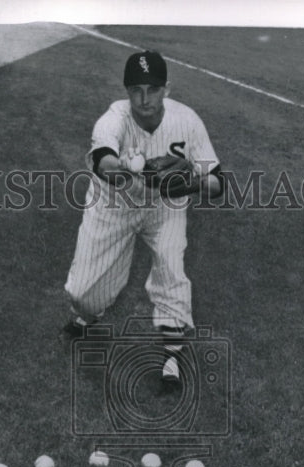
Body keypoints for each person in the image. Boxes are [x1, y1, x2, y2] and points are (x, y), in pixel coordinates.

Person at [64, 49, 223, 379]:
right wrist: (122, 167)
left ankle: (172, 356)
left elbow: (218, 183)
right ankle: (86, 314)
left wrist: (190, 184)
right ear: (126, 90)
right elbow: (102, 160)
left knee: (170, 267)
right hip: (113, 204)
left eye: (152, 89)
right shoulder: (115, 117)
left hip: (164, 208)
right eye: (136, 89)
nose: (144, 98)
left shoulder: (187, 121)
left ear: (167, 88)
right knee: (82, 294)